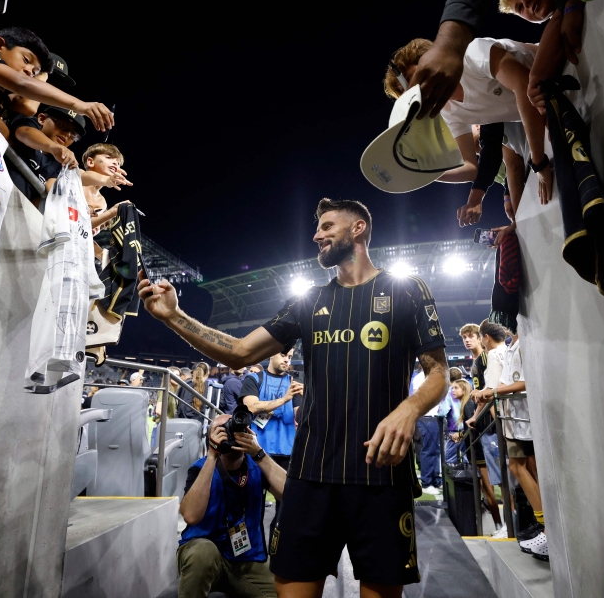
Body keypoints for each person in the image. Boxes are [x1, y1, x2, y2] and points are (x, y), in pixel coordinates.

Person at [138, 197, 450, 596]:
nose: (317, 235)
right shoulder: (308, 301)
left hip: (381, 474)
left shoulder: (407, 289)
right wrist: (173, 316)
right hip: (310, 476)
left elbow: (439, 372)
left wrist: (409, 409)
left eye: (327, 226)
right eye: (317, 228)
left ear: (358, 229)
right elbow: (239, 352)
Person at [409, 0, 585, 118]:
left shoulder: (477, 53)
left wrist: (449, 43)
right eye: (519, 8)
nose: (527, 3)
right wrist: (569, 0)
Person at [385, 36, 553, 206]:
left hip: (563, 67)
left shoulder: (472, 53)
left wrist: (539, 162)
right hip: (552, 105)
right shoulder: (448, 112)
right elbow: (470, 168)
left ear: (430, 58)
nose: (417, 90)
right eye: (409, 92)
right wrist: (425, 174)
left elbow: (524, 86)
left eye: (415, 79)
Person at [178, 414, 287, 598]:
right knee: (203, 553)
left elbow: (290, 495)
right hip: (204, 553)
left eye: (236, 428)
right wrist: (212, 455)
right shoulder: (200, 467)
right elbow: (190, 516)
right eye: (222, 429)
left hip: (246, 558)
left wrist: (258, 453)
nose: (231, 433)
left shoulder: (256, 466)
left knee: (281, 593)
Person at [0, 27, 114, 134]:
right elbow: (21, 84)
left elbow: (8, 139)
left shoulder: (1, 95)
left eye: (35, 72)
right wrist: (81, 105)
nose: (28, 71)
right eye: (26, 60)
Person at [475, 332, 547, 560]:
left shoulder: (514, 345)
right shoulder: (510, 347)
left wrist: (492, 392)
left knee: (523, 469)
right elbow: (505, 381)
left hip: (524, 415)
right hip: (515, 417)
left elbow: (521, 381)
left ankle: (546, 526)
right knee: (522, 469)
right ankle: (543, 524)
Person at [239, 348, 303, 544]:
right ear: (271, 355)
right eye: (284, 355)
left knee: (285, 510)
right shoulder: (254, 379)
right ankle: (253, 555)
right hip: (255, 451)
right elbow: (250, 406)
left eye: (290, 357)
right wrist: (283, 399)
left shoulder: (293, 384)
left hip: (286, 453)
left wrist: (309, 399)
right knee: (252, 508)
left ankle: (278, 554)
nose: (287, 360)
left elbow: (299, 414)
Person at [458, 323, 503, 535]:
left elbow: (491, 389)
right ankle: (499, 525)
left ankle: (506, 525)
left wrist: (484, 417)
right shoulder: (477, 362)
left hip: (492, 427)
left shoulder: (488, 357)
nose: (467, 340)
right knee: (487, 484)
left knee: (501, 480)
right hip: (482, 427)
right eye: (464, 337)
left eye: (470, 336)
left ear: (480, 337)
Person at [5, 105, 86, 203]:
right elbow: (24, 133)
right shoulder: (31, 124)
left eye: (73, 135)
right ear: (42, 119)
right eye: (62, 125)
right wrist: (52, 147)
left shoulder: (60, 161)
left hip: (12, 207)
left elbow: (49, 189)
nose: (67, 134)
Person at [410, 361, 444, 495]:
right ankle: (427, 482)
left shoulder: (431, 377)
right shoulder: (421, 378)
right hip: (427, 417)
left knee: (435, 451)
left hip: (435, 416)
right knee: (429, 451)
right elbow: (418, 396)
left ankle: (435, 479)